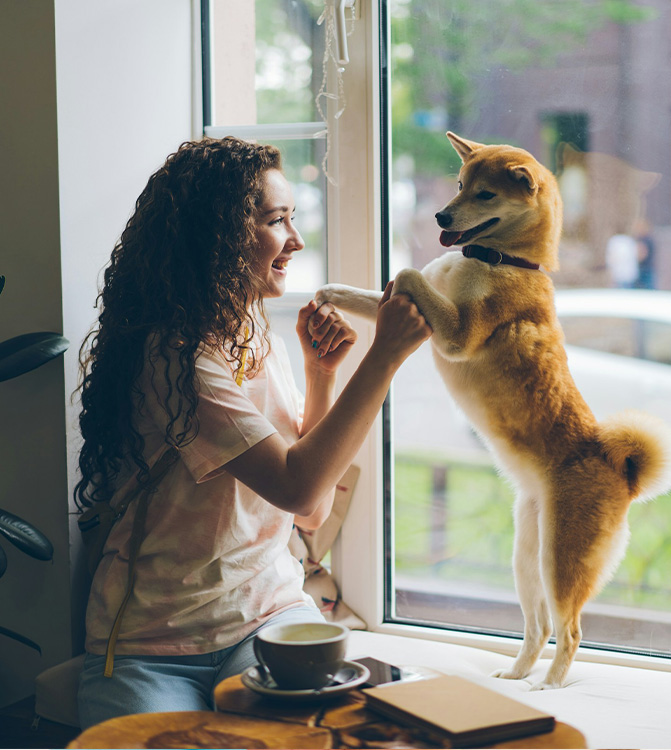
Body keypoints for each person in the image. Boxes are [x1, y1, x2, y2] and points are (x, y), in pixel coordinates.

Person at [74, 137, 431, 728]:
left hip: (266, 614)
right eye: (276, 220)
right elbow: (297, 488)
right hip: (149, 645)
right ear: (216, 236)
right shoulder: (175, 355)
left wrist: (322, 377)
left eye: (293, 218)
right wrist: (384, 356)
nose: (295, 239)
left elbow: (309, 512)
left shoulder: (253, 335)